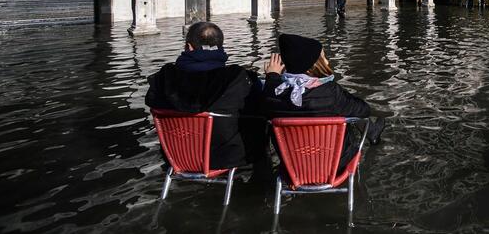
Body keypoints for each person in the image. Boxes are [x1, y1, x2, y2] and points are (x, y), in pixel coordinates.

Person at [145, 22, 266, 170]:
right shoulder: (240, 78)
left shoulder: (163, 78)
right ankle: (262, 185)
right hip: (227, 157)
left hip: (177, 156)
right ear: (220, 46)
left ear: (188, 47)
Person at [259, 34, 385, 172]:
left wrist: (272, 77)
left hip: (293, 168)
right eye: (323, 58)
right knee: (347, 110)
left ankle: (372, 132)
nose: (327, 61)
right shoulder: (330, 92)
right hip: (336, 166)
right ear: (310, 67)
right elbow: (364, 110)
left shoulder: (271, 93)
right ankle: (372, 133)